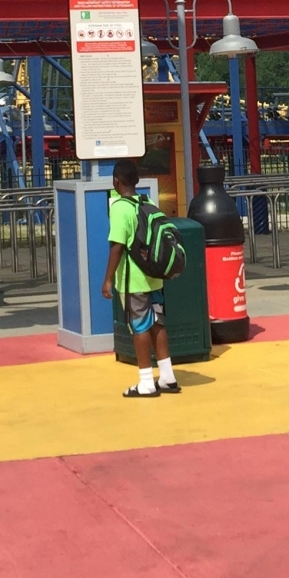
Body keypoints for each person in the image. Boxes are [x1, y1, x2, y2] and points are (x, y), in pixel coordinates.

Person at [101, 158, 179, 399]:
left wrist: (107, 279)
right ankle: (167, 376)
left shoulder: (119, 208)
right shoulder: (146, 202)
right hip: (154, 278)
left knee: (139, 326)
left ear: (116, 182)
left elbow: (117, 245)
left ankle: (146, 381)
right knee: (157, 322)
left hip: (133, 281)